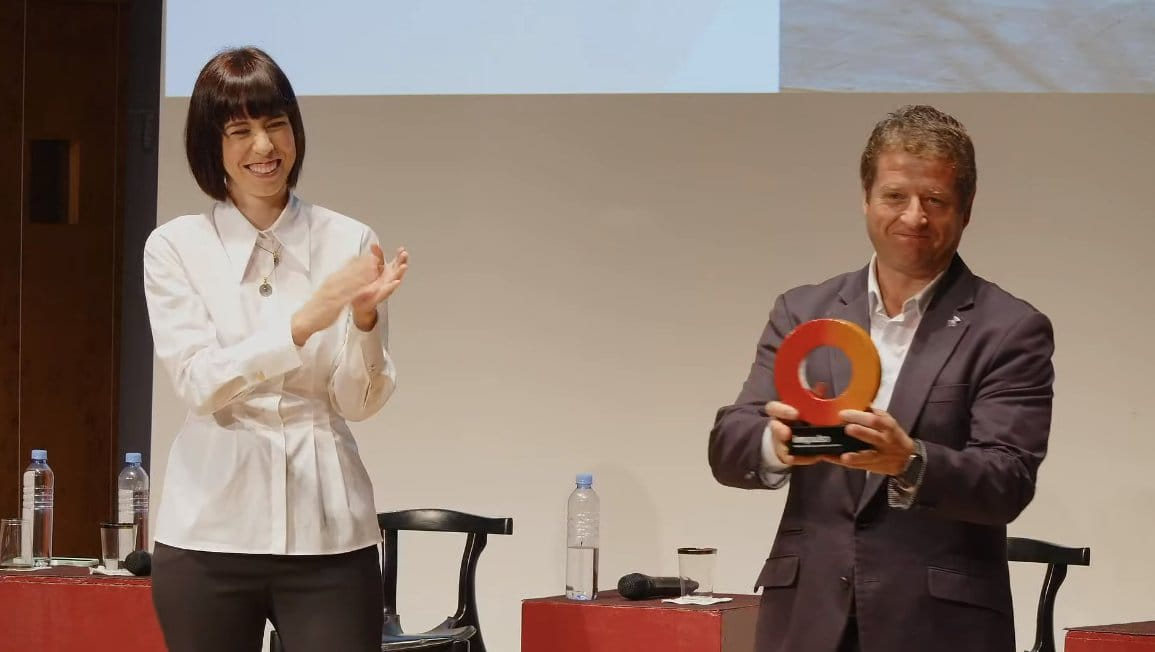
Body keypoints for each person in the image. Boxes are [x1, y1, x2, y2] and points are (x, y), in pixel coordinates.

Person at [708, 104, 1054, 652]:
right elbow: (728, 446)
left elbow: (1007, 481)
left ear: (965, 211)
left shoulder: (1010, 329)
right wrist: (774, 443)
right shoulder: (803, 311)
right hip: (807, 618)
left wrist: (910, 462)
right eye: (895, 196)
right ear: (866, 199)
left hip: (938, 629)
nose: (913, 217)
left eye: (935, 200)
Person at [142, 47, 408, 652]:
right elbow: (199, 382)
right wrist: (301, 323)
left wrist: (364, 320)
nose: (264, 147)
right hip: (209, 534)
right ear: (213, 147)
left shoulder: (348, 239)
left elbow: (357, 403)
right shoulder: (176, 247)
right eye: (241, 131)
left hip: (328, 535)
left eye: (275, 124)